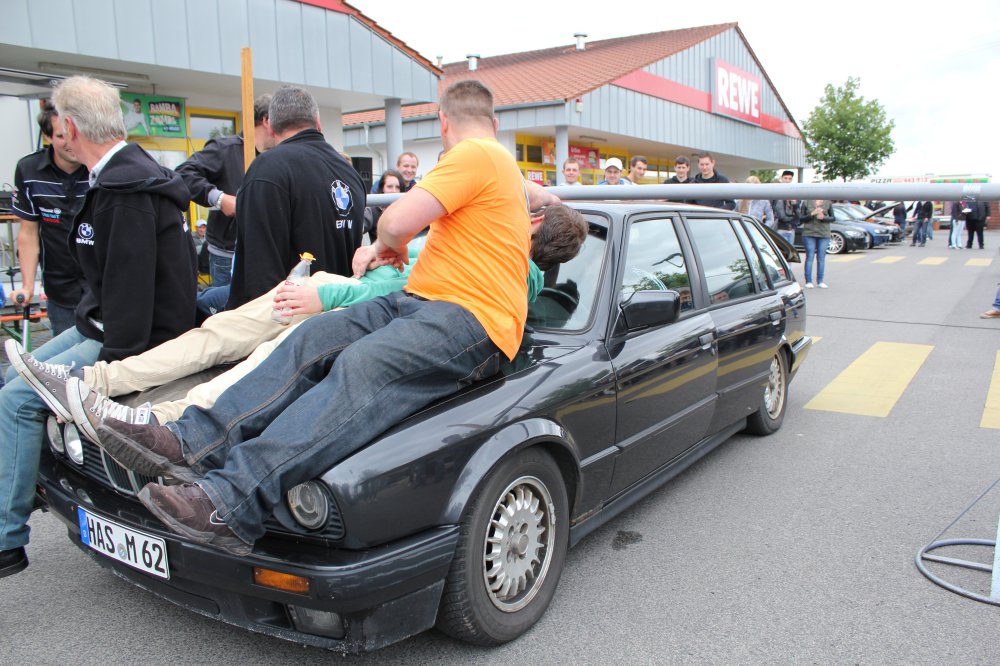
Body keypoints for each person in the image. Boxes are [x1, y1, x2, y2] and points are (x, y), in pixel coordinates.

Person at [87, 79, 559, 556]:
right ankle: (187, 442)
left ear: (442, 121)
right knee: (312, 338)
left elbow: (395, 222)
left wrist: (385, 245)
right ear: (495, 123)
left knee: (362, 368)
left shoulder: (475, 153)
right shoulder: (501, 165)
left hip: (471, 320)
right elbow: (533, 202)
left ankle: (230, 502)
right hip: (423, 300)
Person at [46, 204, 588, 443]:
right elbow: (400, 264)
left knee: (249, 370)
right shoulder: (487, 244)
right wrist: (368, 254)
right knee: (221, 338)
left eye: (524, 203)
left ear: (532, 221)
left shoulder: (506, 269)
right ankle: (98, 387)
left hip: (345, 304)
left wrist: (328, 288)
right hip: (340, 292)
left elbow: (407, 288)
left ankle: (139, 418)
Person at [0, 75, 198, 579]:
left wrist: (110, 376)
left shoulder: (124, 190)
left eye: (56, 124)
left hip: (126, 338)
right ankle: (32, 479)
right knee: (11, 387)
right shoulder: (120, 178)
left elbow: (132, 299)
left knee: (15, 399)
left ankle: (5, 536)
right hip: (101, 322)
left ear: (67, 125)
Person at [225, 86, 365, 310]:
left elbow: (259, 273)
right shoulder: (348, 171)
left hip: (286, 326)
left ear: (270, 126)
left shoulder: (268, 169)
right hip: (339, 314)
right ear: (318, 122)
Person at [175, 94, 274, 288]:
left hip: (264, 255)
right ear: (266, 121)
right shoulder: (225, 149)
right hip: (227, 256)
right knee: (228, 314)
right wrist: (218, 198)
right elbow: (183, 174)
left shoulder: (275, 156)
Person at [10, 102, 90, 336]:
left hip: (101, 285)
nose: (70, 142)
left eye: (74, 134)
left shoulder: (97, 168)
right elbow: (28, 232)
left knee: (106, 358)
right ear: (47, 136)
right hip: (60, 286)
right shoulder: (29, 170)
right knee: (65, 362)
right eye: (61, 136)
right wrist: (27, 285)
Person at [799, 199, 832, 288]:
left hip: (824, 233)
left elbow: (833, 218)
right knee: (810, 256)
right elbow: (801, 218)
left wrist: (824, 218)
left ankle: (820, 281)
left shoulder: (828, 202)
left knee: (821, 258)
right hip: (809, 233)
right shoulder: (806, 202)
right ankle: (808, 281)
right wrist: (812, 214)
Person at [364, 169, 402, 244]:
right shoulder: (372, 212)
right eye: (389, 187)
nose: (394, 190)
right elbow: (356, 227)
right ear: (382, 188)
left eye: (397, 187)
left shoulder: (406, 210)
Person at [772, 170, 799, 244]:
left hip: (790, 229)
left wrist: (795, 205)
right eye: (786, 178)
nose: (787, 181)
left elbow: (799, 216)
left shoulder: (794, 193)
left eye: (790, 179)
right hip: (779, 227)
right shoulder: (777, 192)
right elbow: (782, 216)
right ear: (782, 178)